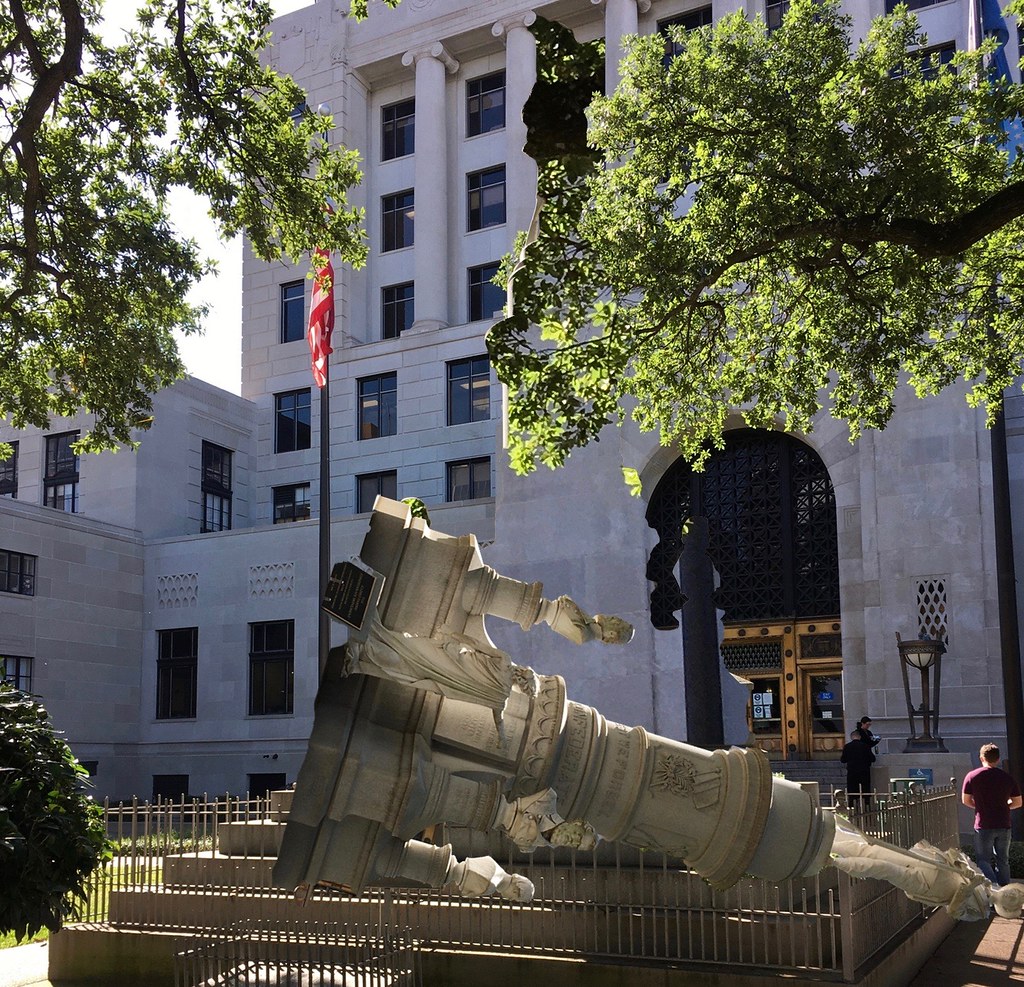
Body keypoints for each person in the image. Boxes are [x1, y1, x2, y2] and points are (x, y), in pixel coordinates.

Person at [962, 743, 1023, 886]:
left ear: (981, 757)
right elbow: (1018, 802)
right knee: (1003, 860)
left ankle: (994, 888)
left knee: (983, 860)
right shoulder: (1007, 778)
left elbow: (965, 800)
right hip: (1004, 824)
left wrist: (979, 806)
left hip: (983, 824)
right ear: (997, 759)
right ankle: (1005, 892)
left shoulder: (972, 776)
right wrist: (1006, 806)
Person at [841, 729, 875, 806]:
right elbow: (873, 759)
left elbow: (843, 760)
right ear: (859, 737)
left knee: (852, 790)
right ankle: (867, 806)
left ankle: (851, 806)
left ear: (851, 737)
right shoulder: (865, 746)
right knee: (865, 789)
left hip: (852, 772)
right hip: (864, 771)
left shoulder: (847, 746)